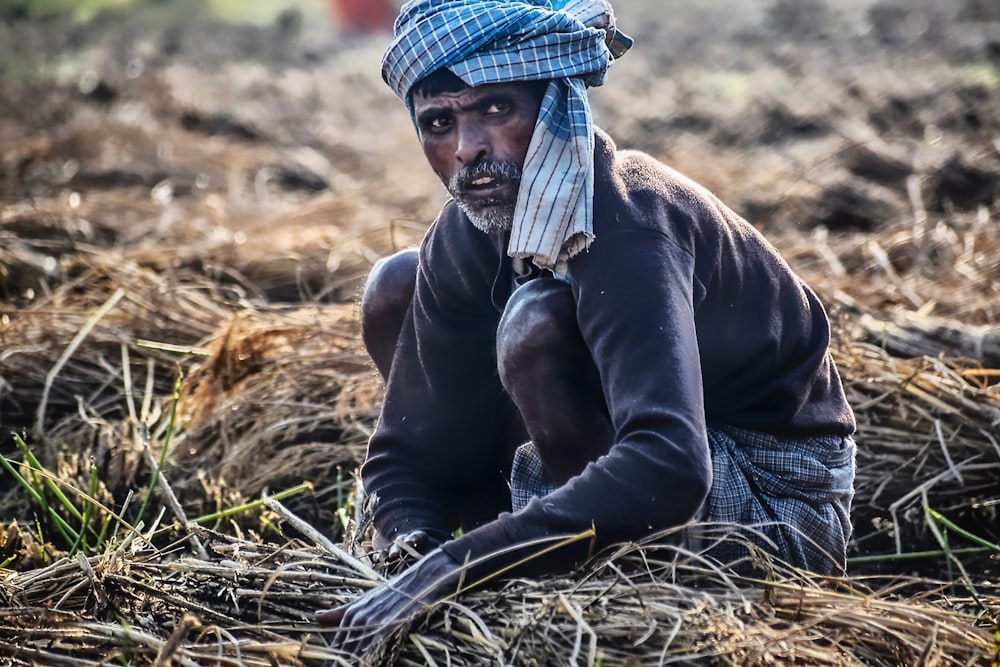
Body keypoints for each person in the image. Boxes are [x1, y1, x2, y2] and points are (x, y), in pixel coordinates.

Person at [317, 0, 857, 657]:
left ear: (551, 106)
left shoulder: (630, 223)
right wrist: (414, 546)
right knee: (396, 287)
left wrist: (451, 570)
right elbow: (405, 453)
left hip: (767, 500)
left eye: (495, 109)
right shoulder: (467, 232)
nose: (467, 149)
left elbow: (669, 464)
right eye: (438, 121)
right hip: (638, 467)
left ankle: (612, 577)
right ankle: (514, 536)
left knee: (537, 324)